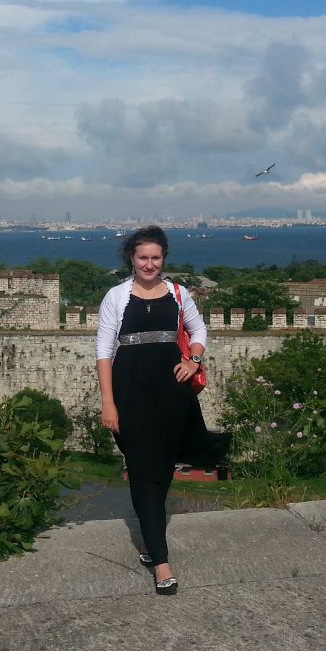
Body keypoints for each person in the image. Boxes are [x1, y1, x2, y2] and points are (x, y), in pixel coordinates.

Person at [96, 225, 229, 596]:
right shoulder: (116, 296)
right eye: (143, 257)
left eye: (156, 257)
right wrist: (108, 402)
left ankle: (149, 539)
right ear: (132, 258)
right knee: (142, 470)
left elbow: (198, 330)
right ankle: (161, 562)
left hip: (172, 392)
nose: (149, 264)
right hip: (130, 392)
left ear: (163, 258)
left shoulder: (178, 293)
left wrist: (194, 360)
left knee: (164, 466)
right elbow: (104, 352)